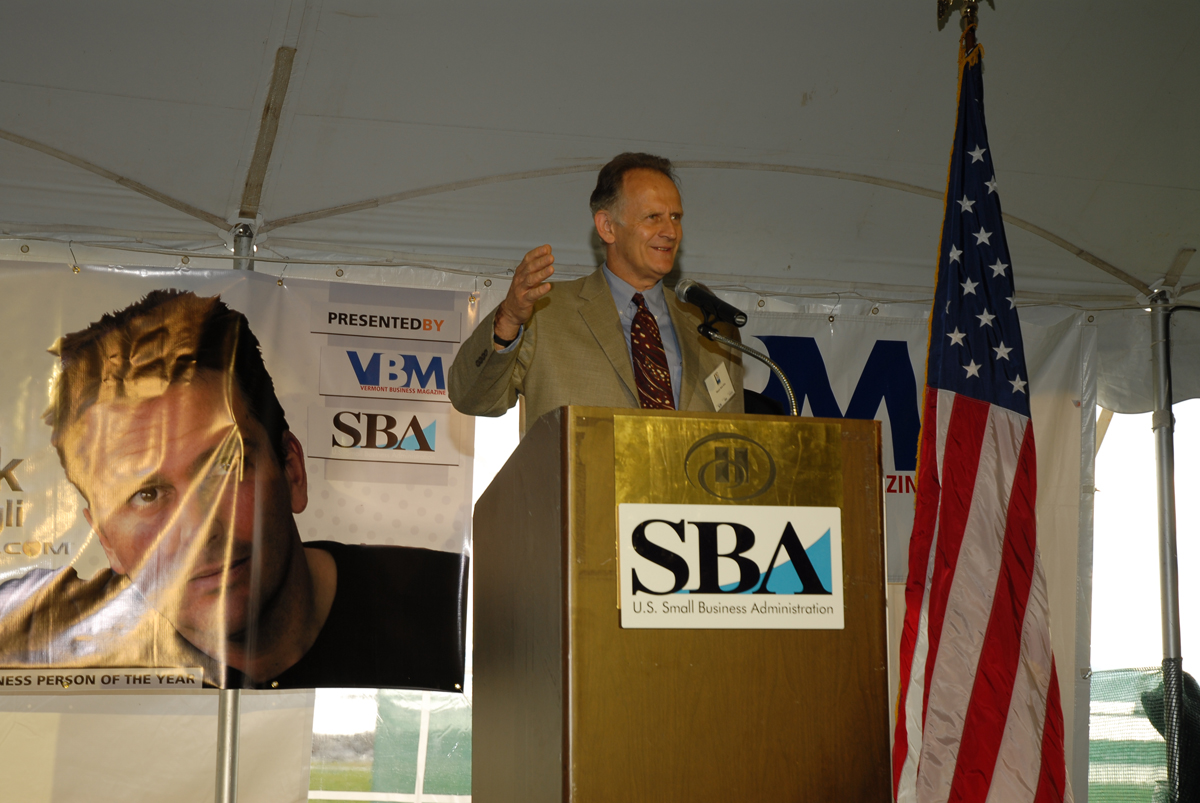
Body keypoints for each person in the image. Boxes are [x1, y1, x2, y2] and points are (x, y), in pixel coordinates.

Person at [0, 290, 466, 690]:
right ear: (106, 540)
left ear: (292, 471)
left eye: (224, 466)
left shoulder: (465, 612)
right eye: (147, 495)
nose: (200, 530)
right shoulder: (41, 647)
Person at [449, 152, 744, 428]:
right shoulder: (545, 314)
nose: (670, 232)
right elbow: (471, 397)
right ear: (607, 227)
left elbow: (735, 440)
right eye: (653, 217)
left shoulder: (710, 326)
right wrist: (509, 319)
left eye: (675, 217)